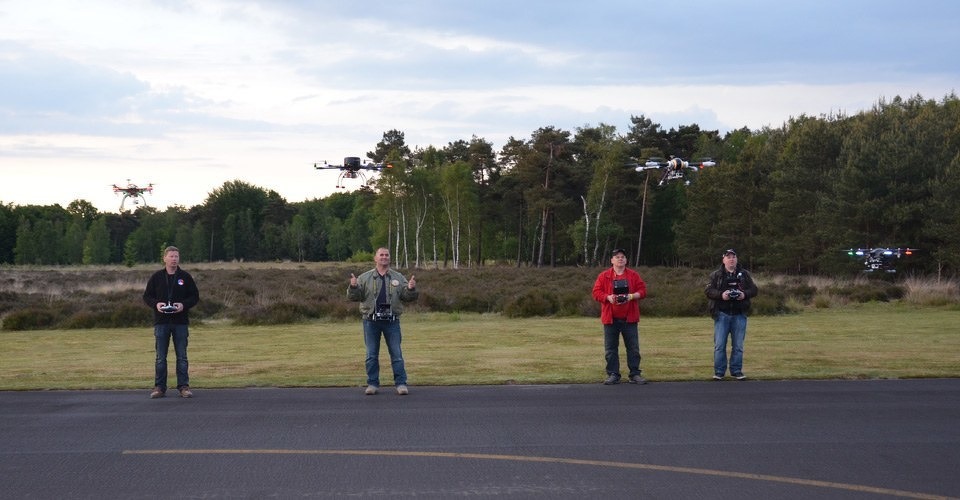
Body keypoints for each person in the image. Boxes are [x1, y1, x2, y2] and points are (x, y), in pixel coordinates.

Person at [347, 247, 418, 395]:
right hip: (370, 322)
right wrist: (353, 286)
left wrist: (411, 289)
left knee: (396, 354)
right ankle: (372, 384)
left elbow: (407, 297)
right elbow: (355, 297)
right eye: (381, 255)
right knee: (371, 355)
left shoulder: (398, 277)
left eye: (386, 255)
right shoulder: (364, 278)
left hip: (392, 322)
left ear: (389, 258)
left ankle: (401, 384)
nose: (384, 257)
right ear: (375, 258)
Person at [142, 246, 200, 398]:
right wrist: (156, 304)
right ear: (165, 258)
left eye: (176, 256)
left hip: (180, 322)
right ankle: (159, 387)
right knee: (161, 357)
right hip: (161, 322)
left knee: (182, 356)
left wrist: (183, 305)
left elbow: (194, 297)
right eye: (171, 256)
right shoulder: (156, 277)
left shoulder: (185, 277)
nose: (174, 259)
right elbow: (147, 296)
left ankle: (183, 387)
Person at [591, 248, 648, 385]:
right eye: (617, 257)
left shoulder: (633, 275)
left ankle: (634, 374)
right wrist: (608, 297)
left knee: (633, 348)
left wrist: (631, 296)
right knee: (610, 349)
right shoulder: (604, 276)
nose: (620, 259)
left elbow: (643, 291)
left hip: (630, 318)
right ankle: (613, 374)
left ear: (626, 260)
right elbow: (596, 293)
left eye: (623, 256)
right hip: (610, 319)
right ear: (612, 260)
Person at [705, 248, 759, 381]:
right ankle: (719, 372)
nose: (731, 259)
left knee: (738, 345)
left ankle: (736, 371)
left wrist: (743, 294)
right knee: (719, 345)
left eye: (733, 257)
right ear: (723, 260)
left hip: (739, 314)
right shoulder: (716, 275)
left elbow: (754, 290)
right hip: (721, 314)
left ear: (737, 259)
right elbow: (708, 290)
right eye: (728, 257)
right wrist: (721, 295)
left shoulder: (744, 274)